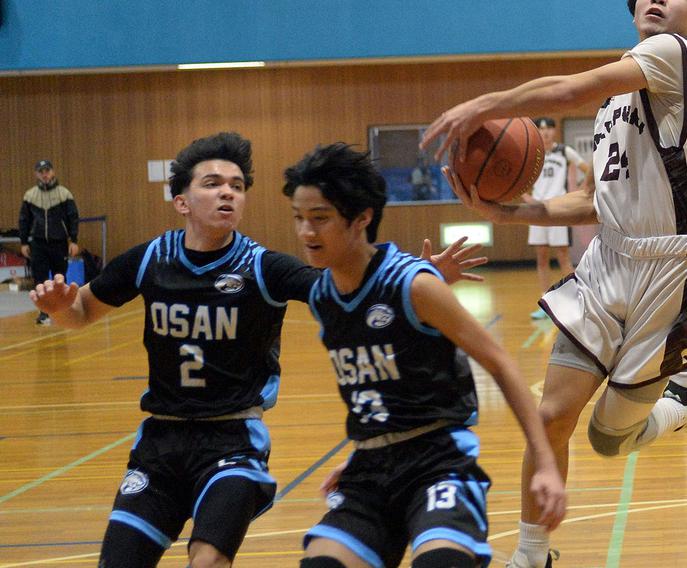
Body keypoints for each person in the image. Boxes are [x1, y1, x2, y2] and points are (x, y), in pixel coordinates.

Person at [29, 132, 486, 568]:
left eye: (237, 185)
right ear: (181, 201)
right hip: (159, 443)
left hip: (232, 443)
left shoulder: (262, 267)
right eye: (212, 184)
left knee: (207, 559)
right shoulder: (150, 259)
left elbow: (350, 288)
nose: (228, 193)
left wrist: (409, 280)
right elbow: (83, 312)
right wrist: (60, 307)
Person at [421, 0, 687, 565]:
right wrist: (508, 214)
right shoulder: (615, 107)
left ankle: (685, 401)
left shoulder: (677, 56)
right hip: (605, 267)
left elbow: (565, 91)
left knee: (607, 441)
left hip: (667, 272)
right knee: (550, 419)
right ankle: (531, 555)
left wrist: (487, 104)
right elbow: (594, 202)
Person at [284, 143, 566, 568]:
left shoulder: (414, 285)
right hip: (370, 470)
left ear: (361, 218)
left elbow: (500, 362)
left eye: (320, 218)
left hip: (437, 464)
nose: (307, 232)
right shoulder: (323, 296)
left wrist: (544, 462)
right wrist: (368, 444)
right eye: (299, 218)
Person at [524, 118, 590, 320]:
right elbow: (519, 180)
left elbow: (587, 169)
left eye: (548, 128)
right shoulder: (532, 153)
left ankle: (575, 301)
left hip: (557, 210)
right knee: (542, 258)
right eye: (541, 129)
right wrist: (525, 197)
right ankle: (545, 302)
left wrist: (578, 191)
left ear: (554, 131)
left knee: (563, 256)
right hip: (536, 210)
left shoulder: (564, 151)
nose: (545, 132)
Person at [19, 159, 80, 325]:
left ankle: (64, 311)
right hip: (38, 244)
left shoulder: (64, 193)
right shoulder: (30, 195)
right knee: (40, 278)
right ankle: (43, 312)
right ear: (36, 174)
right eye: (41, 171)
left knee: (60, 277)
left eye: (47, 171)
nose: (44, 174)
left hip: (59, 242)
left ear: (52, 172)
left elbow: (72, 218)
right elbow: (24, 220)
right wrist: (24, 242)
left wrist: (73, 240)